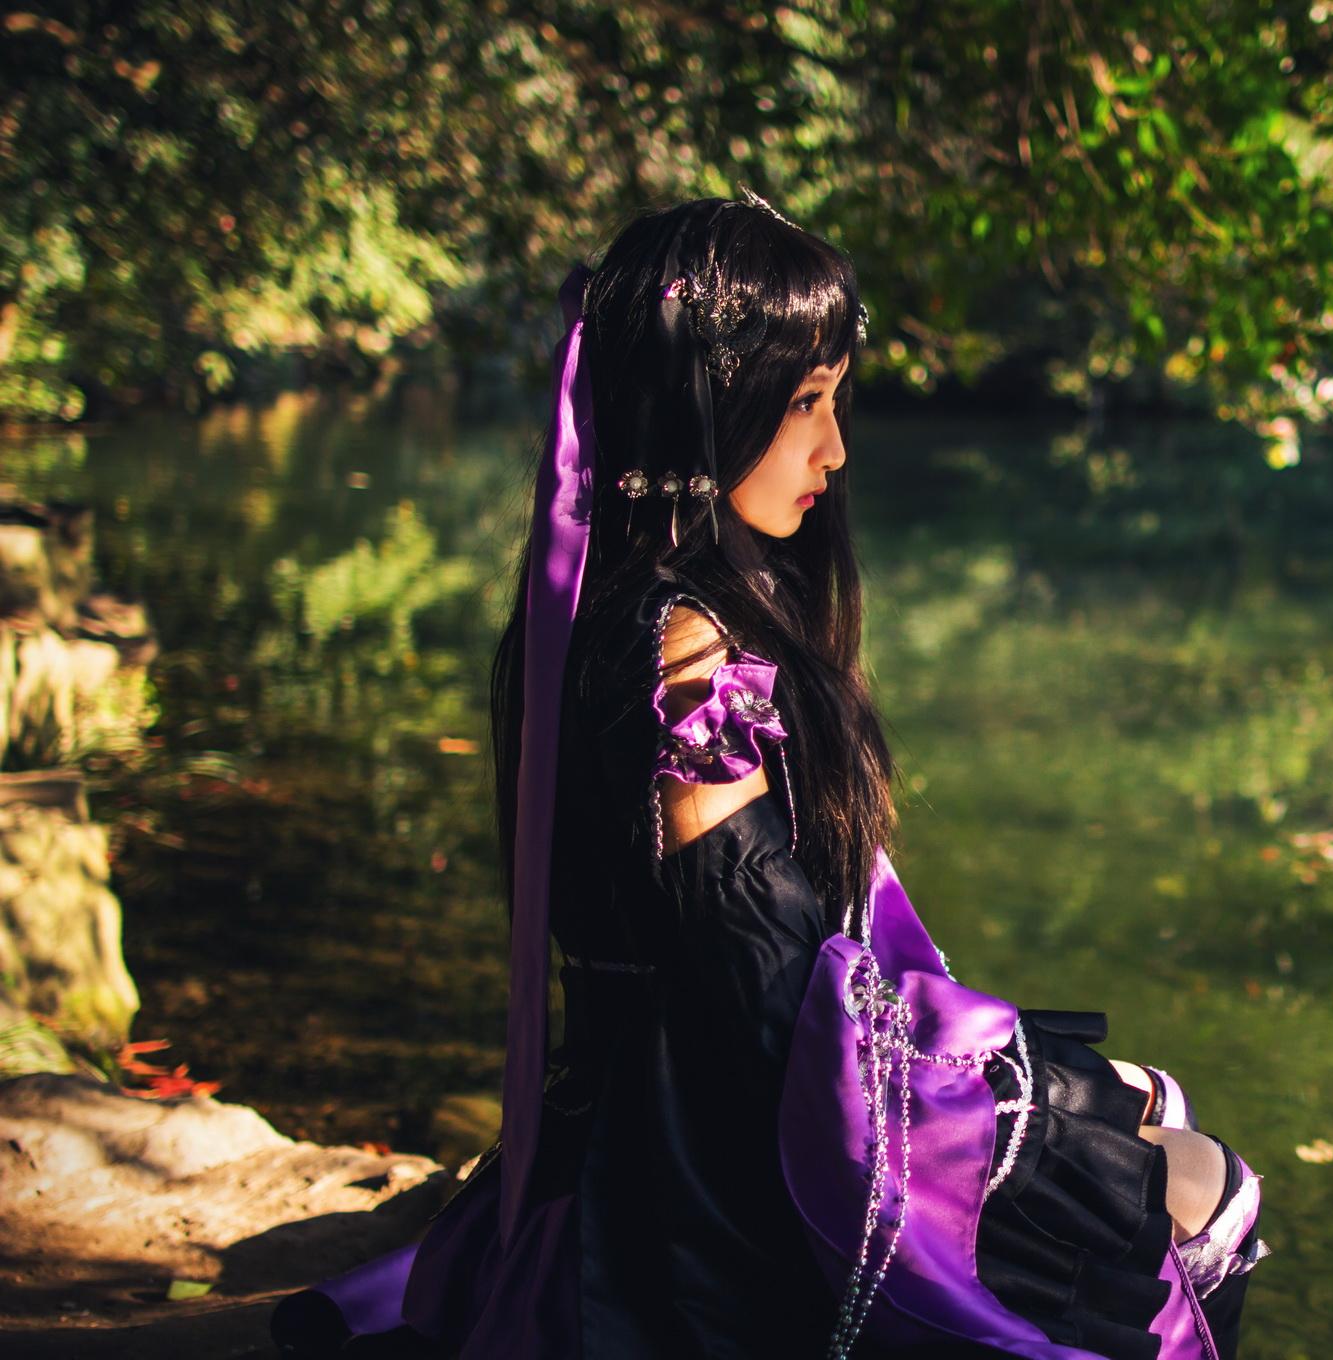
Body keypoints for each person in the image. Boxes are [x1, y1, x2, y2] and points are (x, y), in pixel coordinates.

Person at [271, 192, 1268, 1360]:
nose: (834, 450)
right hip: (697, 1175)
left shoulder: (625, 612)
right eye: (804, 403)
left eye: (835, 401)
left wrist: (1033, 1077)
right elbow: (768, 989)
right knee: (1204, 1193)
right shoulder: (683, 648)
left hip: (684, 1108)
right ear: (700, 404)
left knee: (1143, 1124)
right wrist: (1029, 1089)